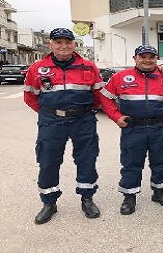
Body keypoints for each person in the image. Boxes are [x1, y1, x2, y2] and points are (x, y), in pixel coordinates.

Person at [23, 28, 104, 224]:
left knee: (86, 159)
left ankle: (87, 198)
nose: (63, 46)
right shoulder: (38, 68)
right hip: (52, 121)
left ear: (74, 44)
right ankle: (49, 202)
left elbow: (98, 96)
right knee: (48, 161)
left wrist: (81, 112)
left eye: (68, 42)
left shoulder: (88, 67)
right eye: (58, 42)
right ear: (51, 44)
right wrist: (50, 113)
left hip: (83, 120)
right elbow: (30, 97)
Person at [100, 44, 163, 215]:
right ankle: (129, 197)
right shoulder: (121, 77)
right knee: (131, 163)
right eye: (143, 56)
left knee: (161, 161)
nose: (147, 60)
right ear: (135, 58)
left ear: (156, 59)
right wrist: (116, 117)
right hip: (133, 128)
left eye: (151, 57)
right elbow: (105, 98)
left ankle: (159, 192)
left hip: (159, 128)